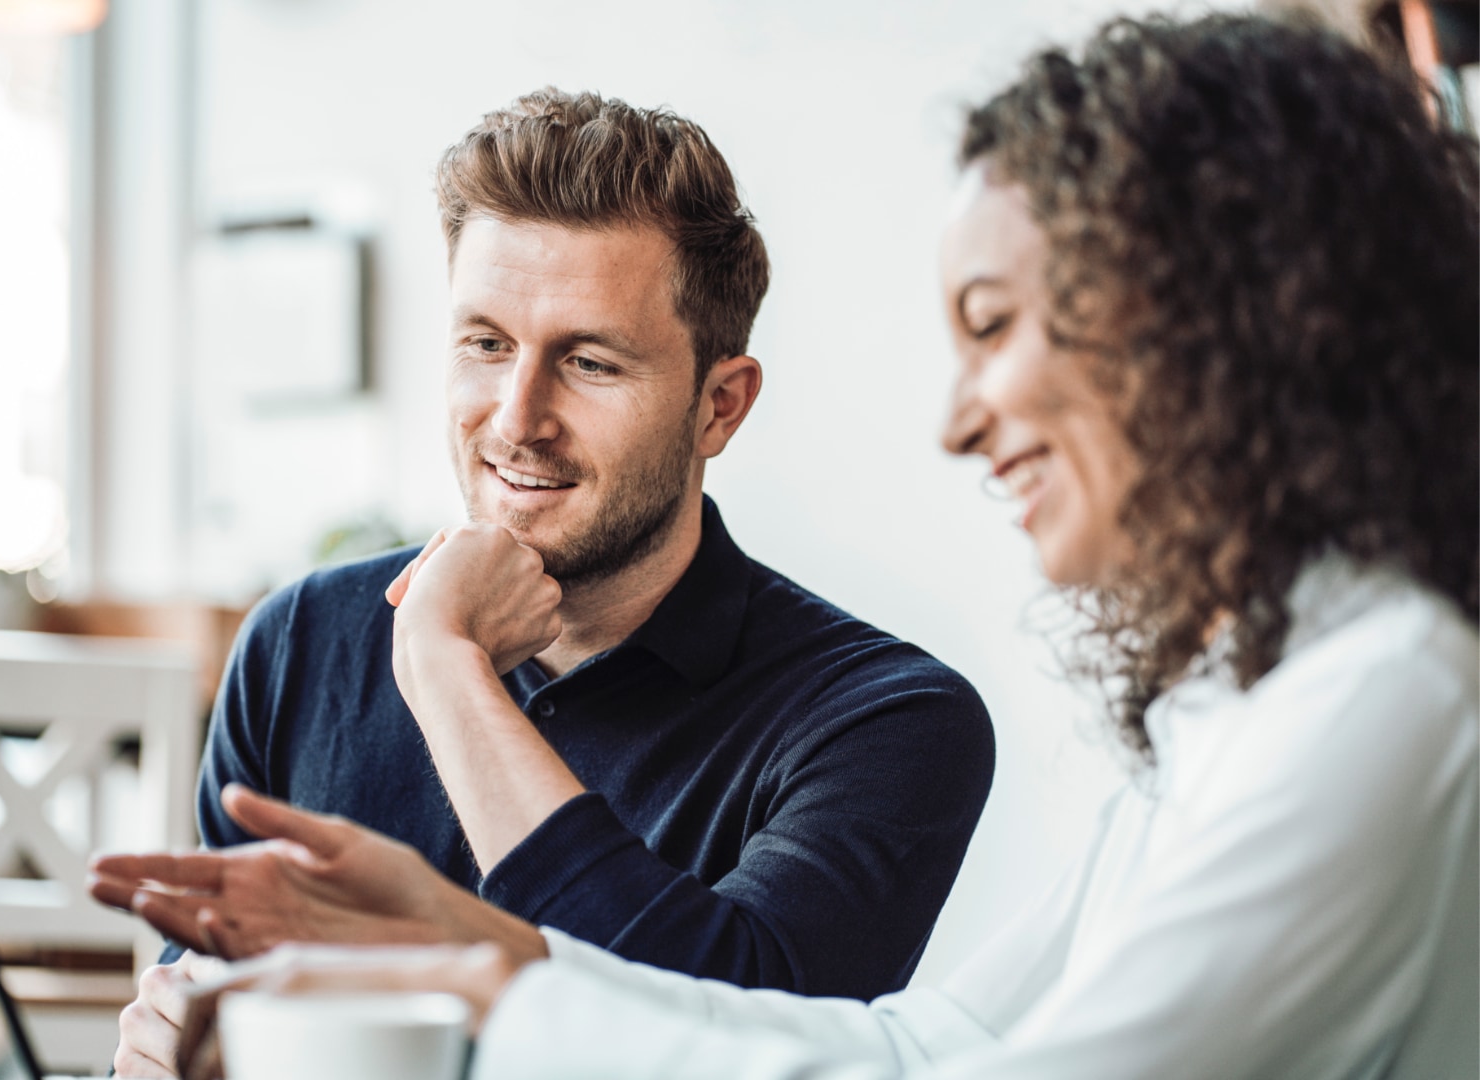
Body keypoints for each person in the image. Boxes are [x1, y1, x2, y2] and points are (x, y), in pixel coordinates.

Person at [159, 12, 1479, 1079]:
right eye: (485, 344)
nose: (957, 424)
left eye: (998, 323)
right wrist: (486, 964)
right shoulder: (1237, 687)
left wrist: (491, 985)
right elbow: (933, 1047)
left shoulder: (1383, 692)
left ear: (1212, 327)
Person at [92, 89, 995, 1077]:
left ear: (719, 407)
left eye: (590, 362)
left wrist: (448, 673)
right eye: (485, 344)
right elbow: (205, 999)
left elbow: (736, 1036)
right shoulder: (302, 640)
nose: (518, 418)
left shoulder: (888, 721)